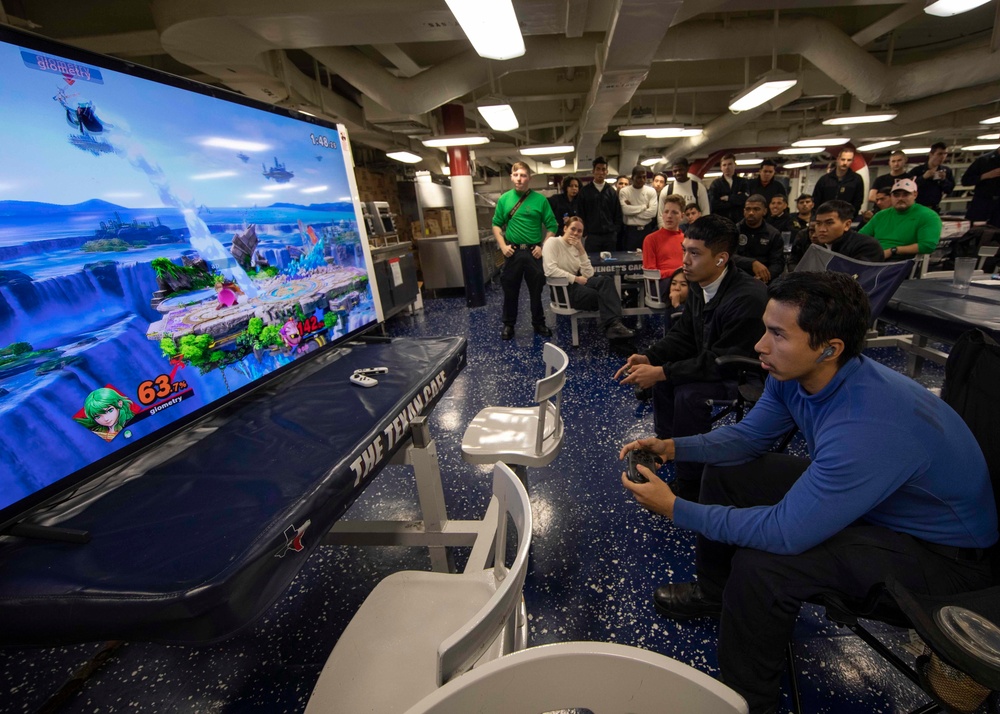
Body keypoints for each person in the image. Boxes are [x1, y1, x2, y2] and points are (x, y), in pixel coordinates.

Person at [619, 270, 997, 714]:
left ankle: (746, 703)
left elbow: (784, 533)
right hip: (883, 505)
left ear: (829, 348)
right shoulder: (798, 374)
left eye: (778, 334)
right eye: (765, 327)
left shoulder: (867, 425)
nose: (760, 345)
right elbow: (748, 439)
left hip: (944, 557)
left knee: (766, 565)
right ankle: (715, 594)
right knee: (726, 473)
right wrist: (673, 446)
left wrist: (677, 509)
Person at [616, 214, 767, 501]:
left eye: (694, 253)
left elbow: (723, 361)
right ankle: (665, 445)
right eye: (685, 249)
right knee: (663, 376)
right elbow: (685, 333)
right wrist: (650, 357)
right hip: (711, 360)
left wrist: (663, 372)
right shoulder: (699, 282)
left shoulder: (748, 297)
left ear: (721, 259)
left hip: (743, 372)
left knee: (686, 393)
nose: (684, 260)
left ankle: (691, 481)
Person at [492, 162, 557, 340]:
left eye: (523, 175)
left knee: (536, 291)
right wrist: (503, 246)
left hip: (533, 252)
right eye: (516, 175)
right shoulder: (505, 199)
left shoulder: (540, 200)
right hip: (512, 252)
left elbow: (552, 225)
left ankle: (538, 323)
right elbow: (496, 224)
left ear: (529, 178)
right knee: (510, 290)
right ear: (511, 177)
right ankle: (508, 324)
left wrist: (543, 247)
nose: (519, 179)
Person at [543, 216, 634, 341]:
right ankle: (612, 326)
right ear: (565, 228)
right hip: (563, 289)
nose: (575, 233)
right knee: (604, 296)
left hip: (577, 285)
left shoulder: (576, 247)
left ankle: (614, 325)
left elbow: (589, 273)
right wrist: (575, 278)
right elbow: (550, 270)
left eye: (579, 231)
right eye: (572, 229)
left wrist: (581, 249)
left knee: (606, 281)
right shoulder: (552, 242)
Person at [859, 178, 942, 261]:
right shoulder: (881, 215)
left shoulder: (928, 216)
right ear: (891, 196)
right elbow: (860, 236)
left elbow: (927, 246)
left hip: (902, 260)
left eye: (905, 194)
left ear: (915, 194)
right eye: (896, 195)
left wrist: (893, 250)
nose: (900, 198)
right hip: (875, 256)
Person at [811, 199, 884, 262]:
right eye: (818, 223)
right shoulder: (815, 245)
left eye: (829, 223)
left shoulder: (867, 246)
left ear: (847, 225)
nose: (822, 229)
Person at [733, 194, 784, 283]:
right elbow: (728, 255)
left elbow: (777, 263)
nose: (751, 213)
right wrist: (752, 263)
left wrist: (766, 277)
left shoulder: (773, 234)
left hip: (764, 280)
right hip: (736, 278)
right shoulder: (734, 231)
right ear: (744, 211)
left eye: (756, 209)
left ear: (764, 211)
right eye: (748, 209)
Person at [642, 194, 686, 291]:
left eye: (674, 212)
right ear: (662, 214)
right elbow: (651, 272)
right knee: (679, 287)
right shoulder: (651, 239)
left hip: (685, 281)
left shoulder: (687, 240)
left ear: (682, 216)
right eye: (666, 212)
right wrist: (676, 273)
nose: (669, 216)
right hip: (660, 283)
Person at [579, 156, 623, 254]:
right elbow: (580, 213)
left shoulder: (611, 192)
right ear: (593, 171)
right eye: (598, 169)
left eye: (603, 169)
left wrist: (614, 232)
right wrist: (585, 233)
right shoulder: (585, 191)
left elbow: (618, 214)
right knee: (592, 265)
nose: (601, 172)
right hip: (592, 237)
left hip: (609, 237)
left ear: (607, 172)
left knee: (610, 266)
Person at [812, 147, 865, 216]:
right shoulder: (825, 179)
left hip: (845, 217)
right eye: (843, 159)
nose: (845, 163)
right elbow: (816, 199)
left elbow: (858, 201)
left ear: (852, 161)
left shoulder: (856, 179)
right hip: (825, 216)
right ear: (838, 159)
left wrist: (851, 216)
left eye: (849, 160)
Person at [660, 157, 709, 227]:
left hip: (694, 230)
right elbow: (660, 216)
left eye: (680, 170)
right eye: (675, 171)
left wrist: (702, 231)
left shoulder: (699, 188)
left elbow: (705, 213)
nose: (678, 173)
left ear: (687, 169)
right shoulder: (666, 190)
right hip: (673, 231)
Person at [619, 165, 658, 251]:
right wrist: (644, 207)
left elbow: (652, 213)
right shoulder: (624, 191)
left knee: (647, 256)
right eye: (639, 177)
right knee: (628, 258)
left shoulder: (651, 191)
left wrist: (632, 212)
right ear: (632, 178)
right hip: (630, 232)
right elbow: (625, 210)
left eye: (644, 177)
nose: (642, 180)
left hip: (646, 230)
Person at [909, 142, 955, 213]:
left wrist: (943, 180)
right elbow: (908, 187)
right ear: (931, 154)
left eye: (945, 153)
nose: (942, 157)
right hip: (916, 209)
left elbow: (949, 191)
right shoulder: (917, 171)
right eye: (939, 154)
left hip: (934, 209)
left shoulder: (947, 171)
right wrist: (923, 177)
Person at [961, 146, 1000, 227]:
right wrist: (985, 176)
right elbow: (965, 181)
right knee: (976, 233)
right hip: (982, 204)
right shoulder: (983, 160)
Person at [707, 153, 749, 223]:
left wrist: (728, 198)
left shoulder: (742, 182)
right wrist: (735, 199)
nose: (727, 167)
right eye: (724, 165)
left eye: (730, 164)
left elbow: (745, 199)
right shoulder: (716, 184)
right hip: (722, 222)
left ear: (734, 165)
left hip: (740, 221)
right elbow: (714, 204)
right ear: (721, 167)